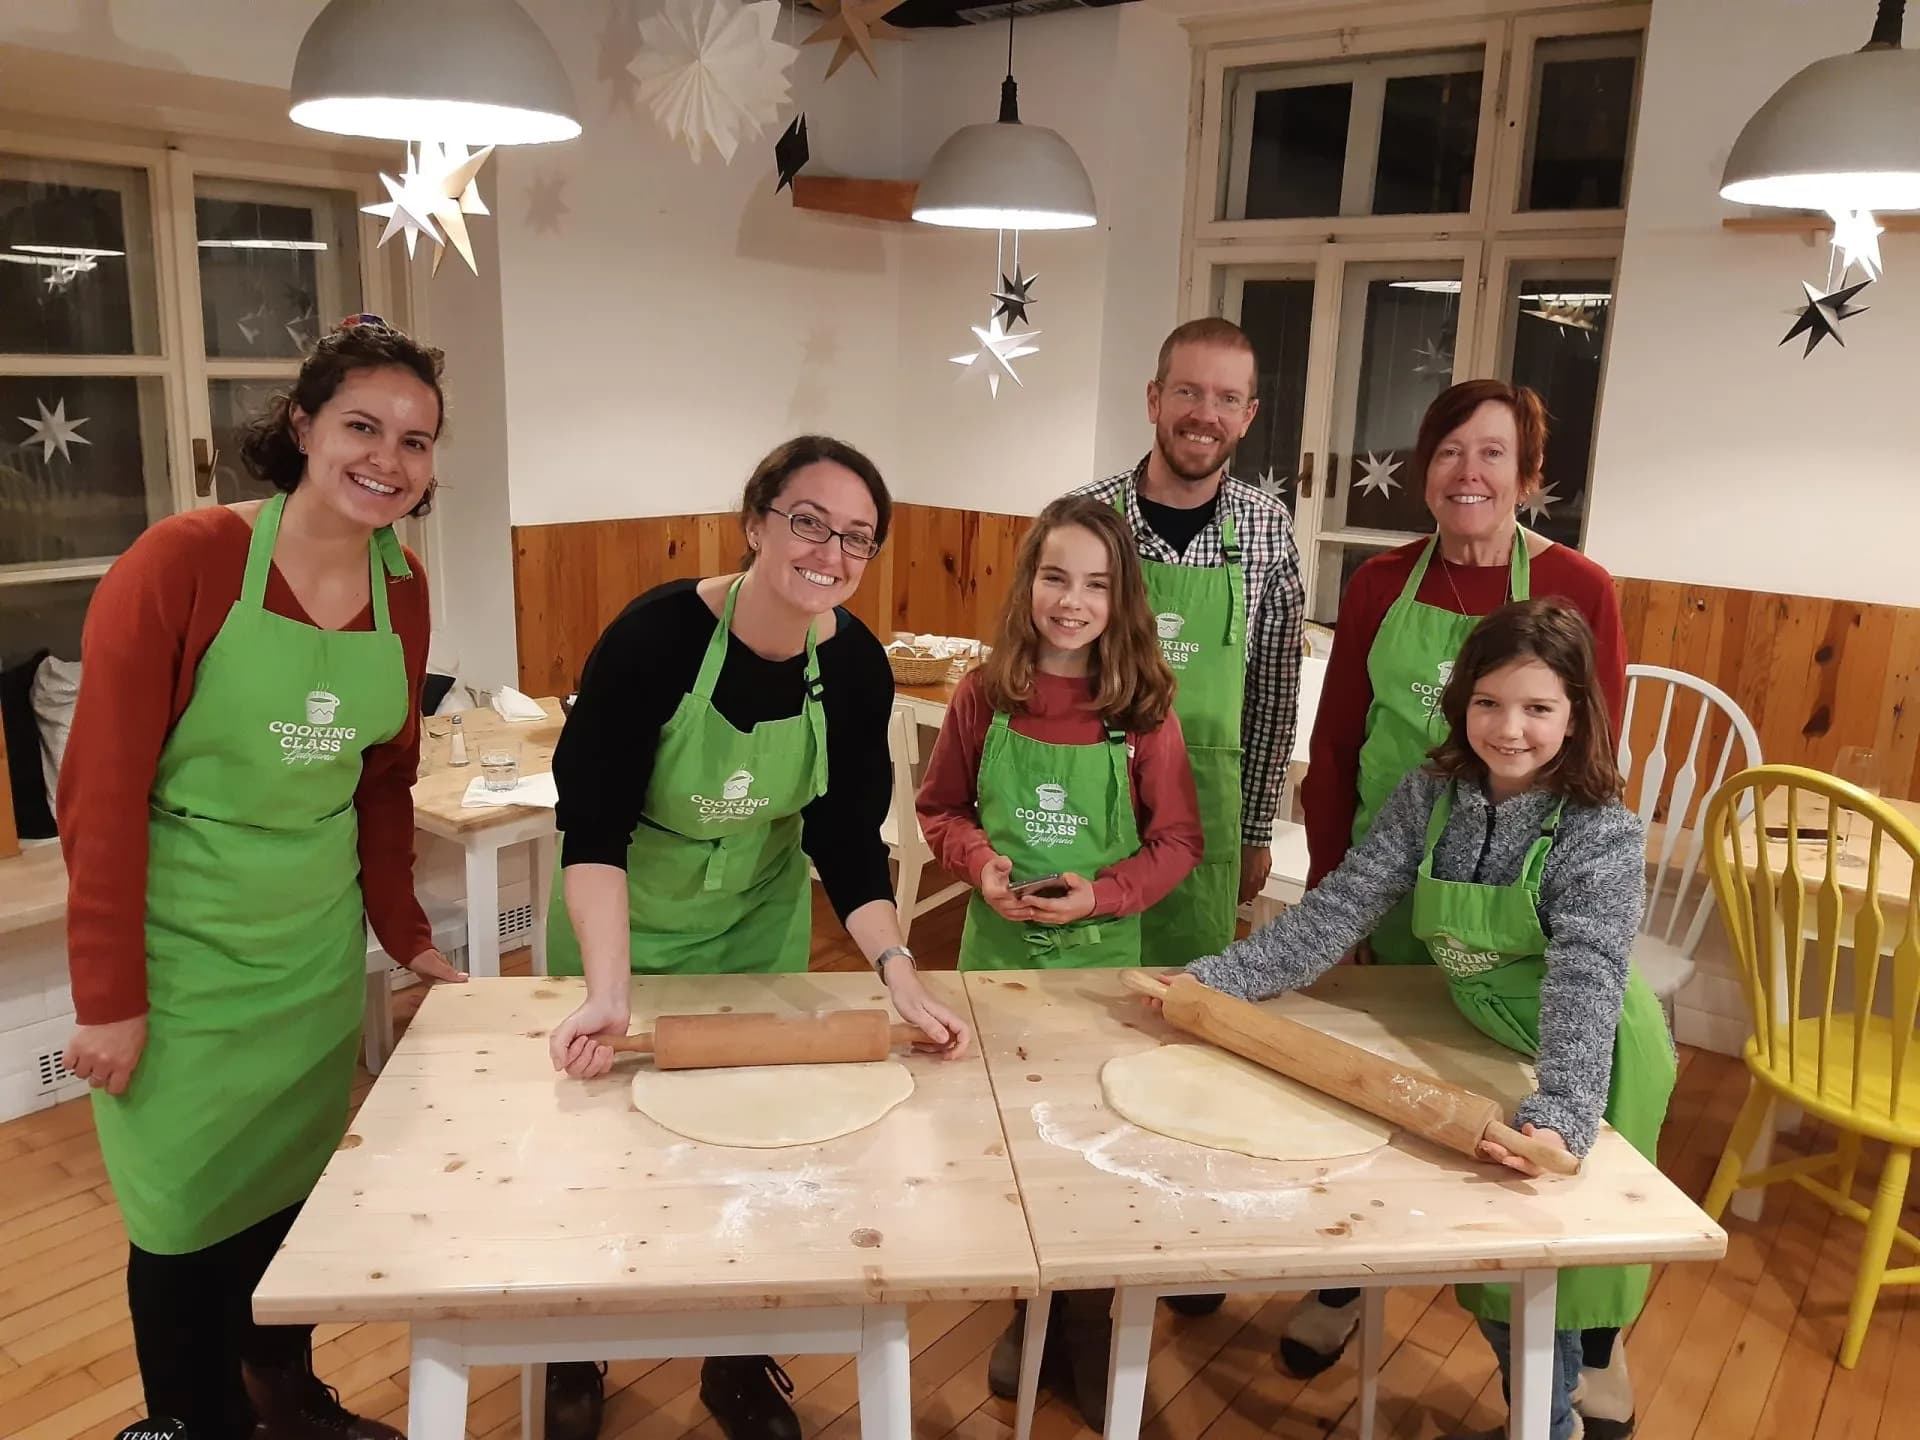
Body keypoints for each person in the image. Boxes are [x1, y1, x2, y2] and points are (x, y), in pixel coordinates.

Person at [58, 318, 464, 1440]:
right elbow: (98, 794)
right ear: (302, 426)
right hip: (181, 947)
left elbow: (386, 780)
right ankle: (191, 1419)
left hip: (309, 943)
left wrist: (404, 930)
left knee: (289, 1201)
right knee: (185, 1220)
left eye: (417, 441)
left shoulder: (404, 585)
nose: (389, 458)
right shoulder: (183, 562)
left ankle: (283, 1390)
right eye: (362, 426)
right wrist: (109, 998)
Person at [539, 434, 973, 1440]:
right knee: (597, 1161)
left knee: (759, 1159)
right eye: (808, 521)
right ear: (755, 522)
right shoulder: (654, 640)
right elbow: (591, 826)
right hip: (629, 920)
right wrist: (611, 992)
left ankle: (735, 1366)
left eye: (856, 537)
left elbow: (845, 839)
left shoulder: (854, 664)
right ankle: (570, 1346)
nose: (829, 551)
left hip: (756, 925)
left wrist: (898, 970)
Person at [1182, 599, 1674, 1440]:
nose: (1508, 728)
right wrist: (1215, 982)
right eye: (1488, 702)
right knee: (1492, 1273)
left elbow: (1585, 981)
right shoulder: (1432, 793)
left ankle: (1550, 1427)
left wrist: (1561, 1117)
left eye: (1537, 708)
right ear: (1461, 704)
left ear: (1576, 715)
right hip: (1481, 1036)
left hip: (1590, 1061)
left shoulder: (1600, 831)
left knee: (1537, 1291)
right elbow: (1342, 907)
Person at [1285, 380, 1632, 1428]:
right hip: (1400, 880)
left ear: (1532, 478)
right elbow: (1339, 744)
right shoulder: (1384, 577)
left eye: (1493, 456)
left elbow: (1598, 757)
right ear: (1424, 468)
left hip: (1526, 911)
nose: (1466, 474)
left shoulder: (1578, 583)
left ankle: (1578, 1348)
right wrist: (1338, 903)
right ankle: (1349, 1275)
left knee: (1538, 1144)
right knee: (1377, 1097)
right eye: (1447, 451)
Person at [916, 495, 1203, 1430]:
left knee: (1090, 1152)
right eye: (1055, 578)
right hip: (994, 960)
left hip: (1095, 968)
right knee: (1008, 1146)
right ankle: (1026, 1307)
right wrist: (980, 865)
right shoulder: (982, 693)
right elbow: (940, 809)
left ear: (1121, 599)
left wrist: (1103, 894)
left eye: (1096, 583)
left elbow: (1178, 843)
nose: (1071, 601)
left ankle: (1088, 1320)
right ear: (1028, 584)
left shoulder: (1142, 712)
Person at [1075, 317, 1305, 964]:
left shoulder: (1267, 529)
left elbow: (1273, 698)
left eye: (1227, 398)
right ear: (1154, 399)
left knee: (1184, 1010)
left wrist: (1257, 830)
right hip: (1089, 808)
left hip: (1207, 820)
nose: (1205, 414)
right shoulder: (1083, 518)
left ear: (1249, 415)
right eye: (1187, 392)